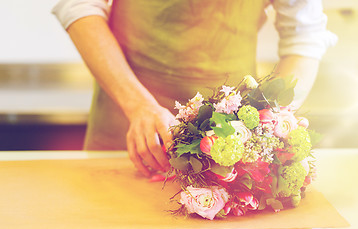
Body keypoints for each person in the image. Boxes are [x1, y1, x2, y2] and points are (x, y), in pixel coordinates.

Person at [52, 0, 337, 177]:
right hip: (127, 130)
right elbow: (78, 4)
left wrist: (266, 123)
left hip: (228, 144)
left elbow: (305, 36)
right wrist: (138, 106)